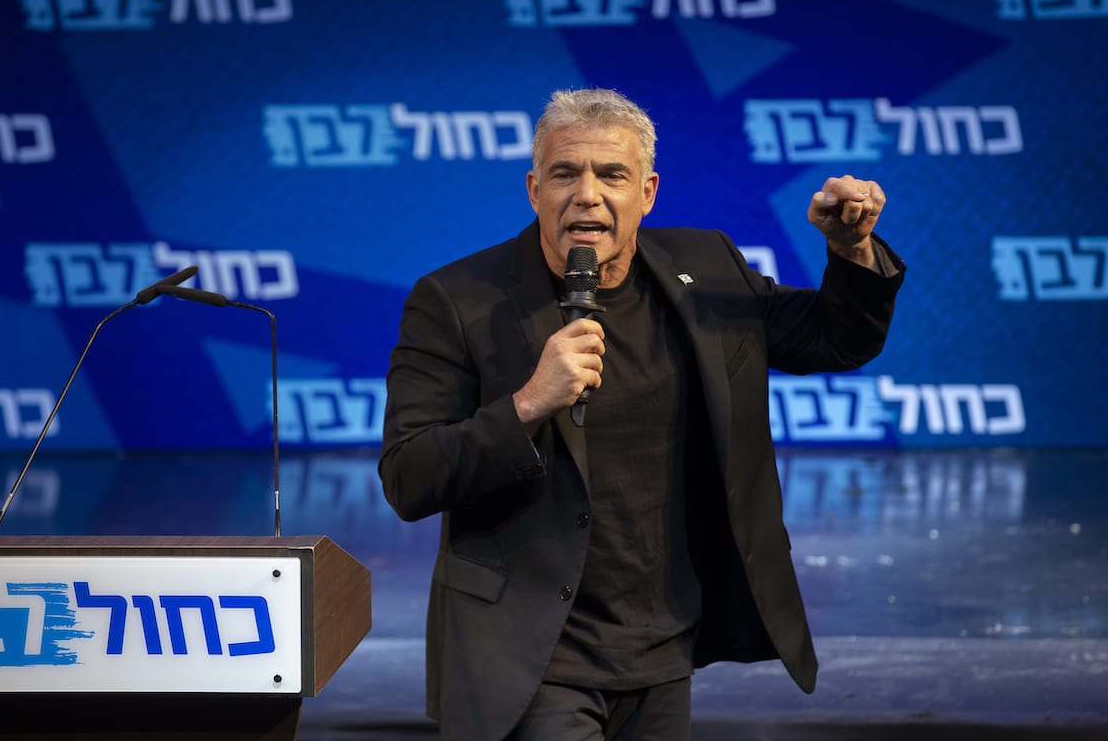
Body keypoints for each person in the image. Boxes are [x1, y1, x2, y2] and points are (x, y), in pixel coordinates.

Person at [379, 88, 904, 741]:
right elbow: (409, 476)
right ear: (534, 189)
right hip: (533, 653)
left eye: (612, 175)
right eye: (565, 173)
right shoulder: (457, 300)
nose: (587, 194)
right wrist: (528, 403)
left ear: (648, 192)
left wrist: (851, 250)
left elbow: (835, 338)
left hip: (661, 648)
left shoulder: (705, 269)